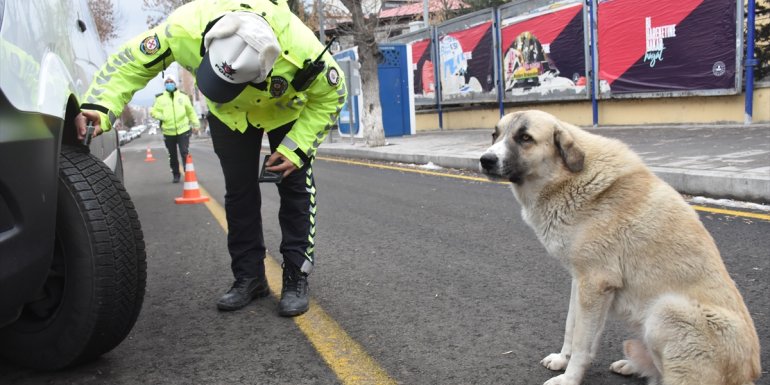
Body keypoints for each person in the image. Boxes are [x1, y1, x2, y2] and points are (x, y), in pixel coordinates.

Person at [74, 0, 346, 317]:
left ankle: (296, 276)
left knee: (295, 188)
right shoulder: (185, 27)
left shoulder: (301, 50)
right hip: (228, 114)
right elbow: (132, 62)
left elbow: (333, 95)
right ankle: (249, 277)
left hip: (286, 111)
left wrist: (296, 148)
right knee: (240, 192)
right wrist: (101, 105)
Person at [151, 75, 200, 183]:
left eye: (171, 81)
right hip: (168, 132)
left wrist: (196, 125)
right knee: (172, 155)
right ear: (165, 84)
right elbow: (153, 111)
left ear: (175, 83)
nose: (169, 83)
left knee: (184, 152)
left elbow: (190, 112)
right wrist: (162, 116)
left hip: (183, 130)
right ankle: (176, 175)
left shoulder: (183, 96)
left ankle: (188, 173)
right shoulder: (160, 98)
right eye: (167, 82)